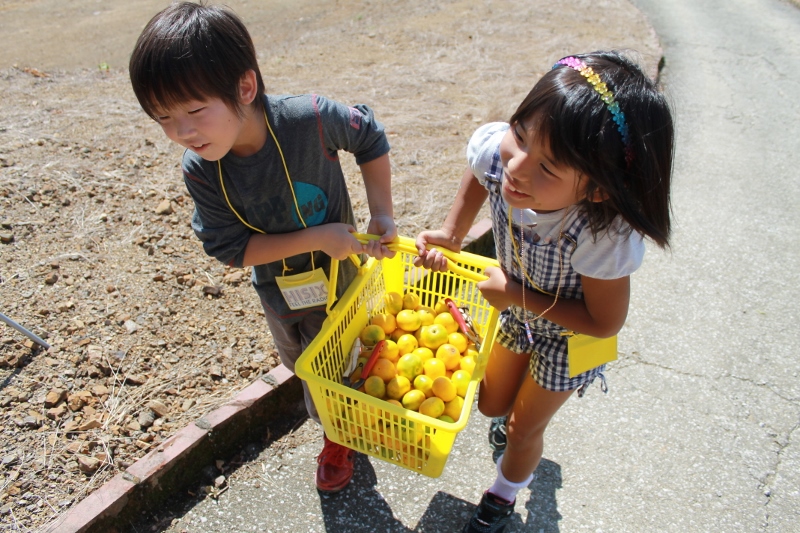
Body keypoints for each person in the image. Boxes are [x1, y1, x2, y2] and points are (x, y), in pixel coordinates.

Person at [129, 2, 397, 493]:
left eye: (194, 111)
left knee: (335, 363)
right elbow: (230, 248)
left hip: (340, 281)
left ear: (245, 88)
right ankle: (336, 410)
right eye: (163, 117)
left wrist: (382, 214)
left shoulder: (310, 120)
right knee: (300, 362)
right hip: (279, 291)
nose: (181, 132)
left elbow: (369, 136)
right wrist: (318, 237)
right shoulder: (201, 169)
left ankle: (338, 435)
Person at [414, 51, 673, 532]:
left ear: (597, 189)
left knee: (522, 429)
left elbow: (604, 322)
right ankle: (516, 426)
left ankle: (503, 494)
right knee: (491, 404)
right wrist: (452, 233)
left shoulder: (602, 234)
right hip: (518, 311)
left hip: (573, 338)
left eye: (548, 168)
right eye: (520, 135)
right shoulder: (504, 159)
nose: (517, 167)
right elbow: (481, 168)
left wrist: (514, 293)